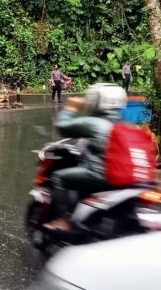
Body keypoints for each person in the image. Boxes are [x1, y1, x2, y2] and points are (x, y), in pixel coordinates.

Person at [45, 83, 128, 231]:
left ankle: (62, 220)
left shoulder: (96, 123)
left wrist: (71, 107)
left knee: (58, 177)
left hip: (100, 176)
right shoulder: (126, 125)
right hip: (126, 179)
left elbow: (63, 126)